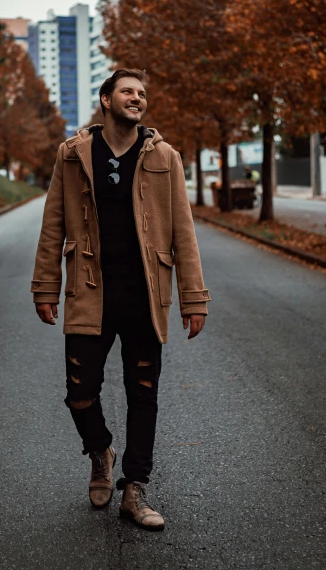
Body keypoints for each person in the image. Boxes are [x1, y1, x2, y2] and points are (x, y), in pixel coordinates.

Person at [31, 68, 210, 531]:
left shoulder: (165, 157)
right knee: (79, 392)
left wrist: (194, 297)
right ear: (106, 100)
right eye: (128, 91)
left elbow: (183, 233)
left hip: (145, 295)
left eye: (143, 93)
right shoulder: (72, 155)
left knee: (143, 394)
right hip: (90, 292)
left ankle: (135, 489)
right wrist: (45, 286)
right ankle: (101, 451)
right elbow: (53, 224)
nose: (137, 98)